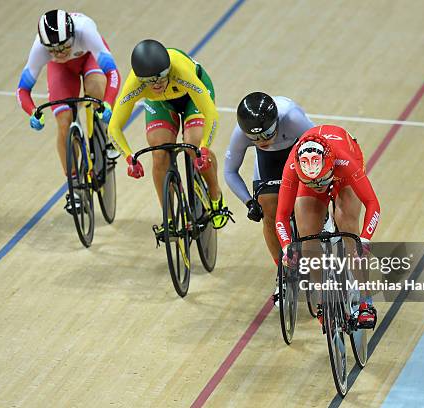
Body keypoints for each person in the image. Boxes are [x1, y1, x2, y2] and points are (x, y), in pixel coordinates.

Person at [108, 39, 230, 234]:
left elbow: (211, 114)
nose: (155, 84)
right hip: (162, 104)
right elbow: (114, 127)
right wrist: (129, 158)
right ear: (140, 78)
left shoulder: (181, 71)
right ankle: (170, 218)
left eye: (160, 77)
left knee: (194, 144)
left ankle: (215, 195)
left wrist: (205, 148)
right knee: (159, 153)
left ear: (168, 70)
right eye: (149, 81)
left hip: (192, 98)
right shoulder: (135, 83)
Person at [275, 125, 381, 328]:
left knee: (349, 229)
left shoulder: (344, 161)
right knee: (307, 241)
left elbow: (373, 204)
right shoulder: (293, 166)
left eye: (321, 181)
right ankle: (324, 298)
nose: (319, 187)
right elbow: (280, 215)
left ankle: (365, 301)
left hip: (342, 175)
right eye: (313, 182)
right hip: (316, 174)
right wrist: (287, 246)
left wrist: (365, 239)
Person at [16, 10, 120, 212]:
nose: (60, 53)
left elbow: (113, 73)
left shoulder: (86, 31)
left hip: (90, 58)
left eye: (64, 47)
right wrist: (32, 111)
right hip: (62, 71)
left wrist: (107, 102)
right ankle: (74, 186)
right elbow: (22, 90)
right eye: (53, 51)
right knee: (64, 124)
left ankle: (107, 135)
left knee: (97, 90)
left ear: (72, 35)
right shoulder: (40, 47)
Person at [224, 92, 314, 303]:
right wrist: (249, 201)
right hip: (268, 163)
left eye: (266, 134)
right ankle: (284, 274)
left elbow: (321, 144)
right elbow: (230, 172)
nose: (261, 141)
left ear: (277, 123)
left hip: (298, 153)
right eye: (254, 138)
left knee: (308, 207)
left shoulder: (292, 119)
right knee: (269, 212)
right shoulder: (240, 133)